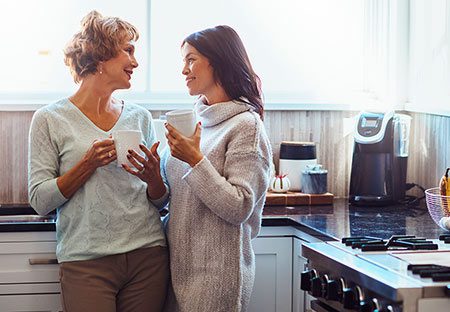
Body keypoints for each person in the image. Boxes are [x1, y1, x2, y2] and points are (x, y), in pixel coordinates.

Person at [28, 11, 168, 312]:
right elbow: (39, 200)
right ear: (101, 57)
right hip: (85, 261)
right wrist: (87, 164)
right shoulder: (49, 119)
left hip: (148, 256)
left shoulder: (140, 117)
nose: (135, 62)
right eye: (128, 51)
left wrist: (155, 179)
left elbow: (159, 200)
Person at [159, 25, 272, 311]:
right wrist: (151, 175)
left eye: (191, 59)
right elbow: (173, 196)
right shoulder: (197, 123)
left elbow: (239, 207)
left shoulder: (246, 127)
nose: (183, 70)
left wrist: (195, 160)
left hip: (217, 276)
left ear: (218, 62)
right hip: (178, 268)